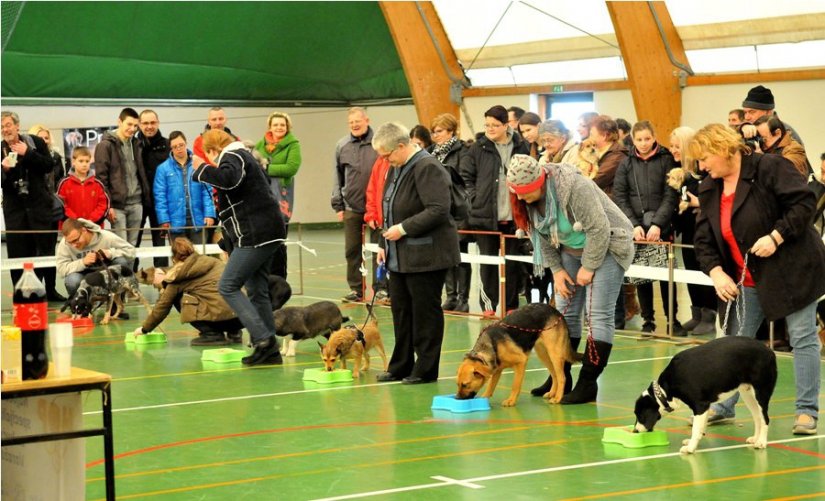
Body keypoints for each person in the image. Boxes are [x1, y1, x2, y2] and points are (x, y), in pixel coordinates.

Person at [690, 123, 824, 435]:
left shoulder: (770, 168)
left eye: (705, 157)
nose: (701, 166)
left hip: (794, 268)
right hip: (745, 276)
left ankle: (806, 411)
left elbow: (804, 205)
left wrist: (776, 236)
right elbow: (703, 239)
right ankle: (722, 405)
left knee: (803, 337)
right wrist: (716, 271)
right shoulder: (709, 187)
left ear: (724, 149)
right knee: (733, 343)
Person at [507, 154, 634, 404]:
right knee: (563, 314)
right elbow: (539, 236)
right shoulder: (524, 199)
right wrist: (557, 270)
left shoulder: (575, 187)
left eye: (525, 192)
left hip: (607, 246)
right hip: (569, 250)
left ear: (539, 182)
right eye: (517, 193)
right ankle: (560, 378)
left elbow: (598, 229)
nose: (520, 198)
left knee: (598, 314)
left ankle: (588, 384)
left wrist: (588, 267)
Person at [372, 122, 460, 384]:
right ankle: (400, 365)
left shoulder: (427, 167)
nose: (385, 161)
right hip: (399, 253)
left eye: (387, 155)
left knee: (425, 313)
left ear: (401, 146)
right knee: (401, 311)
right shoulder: (395, 167)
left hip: (427, 256)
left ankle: (425, 369)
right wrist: (382, 243)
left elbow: (438, 209)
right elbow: (389, 207)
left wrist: (403, 229)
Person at [194, 129, 286, 366]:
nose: (210, 159)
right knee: (257, 290)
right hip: (265, 231)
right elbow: (239, 199)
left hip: (257, 233)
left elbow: (228, 180)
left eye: (208, 154)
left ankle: (263, 338)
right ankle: (270, 351)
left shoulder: (234, 156)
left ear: (213, 149)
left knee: (227, 285)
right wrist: (227, 242)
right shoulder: (243, 157)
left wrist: (201, 168)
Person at [459, 105, 530, 316]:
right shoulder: (478, 148)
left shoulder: (521, 146)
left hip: (514, 218)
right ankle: (488, 307)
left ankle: (510, 307)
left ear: (506, 125)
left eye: (495, 125)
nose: (490, 129)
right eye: (487, 125)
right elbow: (465, 177)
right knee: (487, 266)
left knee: (512, 265)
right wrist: (474, 198)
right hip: (485, 217)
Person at [613, 121, 682, 335]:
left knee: (665, 276)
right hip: (637, 229)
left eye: (647, 139)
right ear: (633, 140)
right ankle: (648, 320)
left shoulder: (667, 159)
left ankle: (673, 320)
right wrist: (634, 225)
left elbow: (671, 195)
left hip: (661, 227)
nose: (643, 144)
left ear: (654, 138)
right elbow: (620, 197)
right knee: (642, 277)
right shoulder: (626, 163)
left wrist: (658, 224)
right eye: (639, 139)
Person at [2, 111, 65, 301]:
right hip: (15, 212)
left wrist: (27, 154)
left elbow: (48, 165)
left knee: (43, 252)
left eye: (8, 125)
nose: (5, 129)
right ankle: (20, 295)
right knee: (18, 255)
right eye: (1, 127)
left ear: (17, 125)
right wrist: (3, 169)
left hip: (39, 208)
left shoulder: (36, 142)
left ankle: (45, 292)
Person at [135, 237, 245, 346]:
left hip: (220, 319)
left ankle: (212, 334)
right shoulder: (214, 261)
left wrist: (145, 329)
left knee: (177, 297)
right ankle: (234, 332)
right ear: (193, 250)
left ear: (174, 257)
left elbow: (162, 307)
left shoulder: (176, 276)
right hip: (242, 317)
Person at [331, 107, 387, 303]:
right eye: (351, 122)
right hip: (351, 208)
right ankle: (356, 289)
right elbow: (337, 177)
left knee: (380, 250)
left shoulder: (379, 142)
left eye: (358, 121)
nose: (354, 125)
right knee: (352, 250)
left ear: (367, 120)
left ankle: (381, 288)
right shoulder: (342, 145)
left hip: (378, 208)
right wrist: (338, 205)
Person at [669, 126, 716, 335]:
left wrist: (698, 203)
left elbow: (710, 199)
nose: (673, 150)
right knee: (689, 269)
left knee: (703, 269)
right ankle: (696, 312)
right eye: (671, 146)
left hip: (703, 230)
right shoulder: (677, 171)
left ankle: (709, 313)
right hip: (686, 229)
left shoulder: (703, 172)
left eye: (677, 146)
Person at [430, 113, 470, 313]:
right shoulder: (430, 153)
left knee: (461, 257)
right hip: (439, 211)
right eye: (433, 131)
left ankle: (464, 298)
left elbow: (463, 181)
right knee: (445, 257)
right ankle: (451, 296)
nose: (435, 135)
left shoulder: (462, 151)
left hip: (458, 210)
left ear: (451, 131)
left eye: (439, 131)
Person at [94, 107, 151, 246]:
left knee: (132, 247)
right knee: (120, 247)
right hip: (117, 206)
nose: (132, 129)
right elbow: (101, 179)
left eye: (135, 126)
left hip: (137, 204)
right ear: (119, 122)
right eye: (129, 124)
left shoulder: (137, 144)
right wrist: (109, 206)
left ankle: (129, 270)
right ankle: (120, 269)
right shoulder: (105, 146)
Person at [255, 111, 302, 278]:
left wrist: (268, 168)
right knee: (263, 241)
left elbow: (291, 168)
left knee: (279, 242)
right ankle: (264, 277)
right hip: (262, 196)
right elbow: (254, 164)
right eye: (275, 124)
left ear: (287, 127)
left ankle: (280, 278)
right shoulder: (260, 144)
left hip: (282, 198)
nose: (279, 127)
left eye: (282, 124)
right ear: (270, 127)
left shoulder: (293, 145)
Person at [56, 218, 136, 307]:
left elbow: (131, 251)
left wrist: (110, 253)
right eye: (70, 242)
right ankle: (83, 306)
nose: (74, 245)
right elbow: (61, 269)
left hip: (105, 274)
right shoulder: (64, 244)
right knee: (72, 281)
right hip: (83, 275)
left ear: (84, 230)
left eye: (76, 240)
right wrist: (82, 262)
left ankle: (117, 303)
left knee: (120, 262)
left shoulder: (105, 236)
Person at [154, 131, 216, 244]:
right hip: (174, 223)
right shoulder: (162, 169)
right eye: (175, 146)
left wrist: (209, 213)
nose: (179, 148)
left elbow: (207, 191)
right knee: (180, 259)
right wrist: (164, 219)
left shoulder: (199, 164)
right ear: (170, 148)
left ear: (186, 143)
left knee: (200, 258)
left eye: (181, 145)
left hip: (199, 220)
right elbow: (160, 197)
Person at [136, 109, 170, 266]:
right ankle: (129, 280)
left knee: (160, 246)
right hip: (138, 202)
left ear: (158, 123)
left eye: (152, 122)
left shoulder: (168, 145)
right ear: (139, 125)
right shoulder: (133, 146)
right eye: (145, 123)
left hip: (160, 204)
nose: (149, 126)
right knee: (133, 244)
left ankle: (163, 284)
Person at [56, 146, 110, 227]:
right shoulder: (64, 183)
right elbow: (61, 205)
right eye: (81, 161)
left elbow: (103, 205)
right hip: (71, 228)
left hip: (93, 227)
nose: (84, 164)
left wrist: (91, 221)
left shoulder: (98, 184)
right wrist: (75, 220)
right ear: (74, 161)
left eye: (87, 161)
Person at [27, 124, 66, 191]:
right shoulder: (26, 156)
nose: (44, 141)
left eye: (46, 138)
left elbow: (60, 179)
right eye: (40, 138)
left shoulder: (56, 157)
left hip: (52, 197)